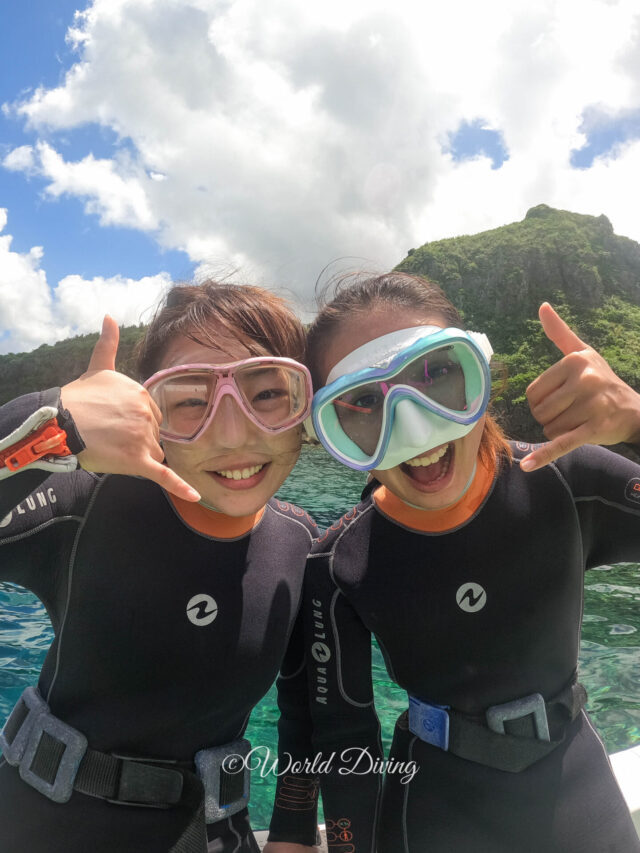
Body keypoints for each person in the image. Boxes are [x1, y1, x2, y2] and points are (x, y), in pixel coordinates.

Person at [282, 272, 640, 853]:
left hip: (578, 792)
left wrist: (637, 422)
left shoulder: (568, 483)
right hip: (431, 811)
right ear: (335, 432)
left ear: (481, 375)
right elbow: (343, 733)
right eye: (364, 403)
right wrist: (347, 845)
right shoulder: (339, 562)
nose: (413, 425)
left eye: (438, 373)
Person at [0, 281, 320, 853]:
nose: (234, 435)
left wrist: (294, 833)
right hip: (41, 827)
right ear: (146, 414)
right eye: (191, 400)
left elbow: (308, 708)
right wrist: (48, 420)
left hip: (217, 834)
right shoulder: (83, 505)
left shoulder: (301, 542)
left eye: (268, 394)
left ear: (307, 406)